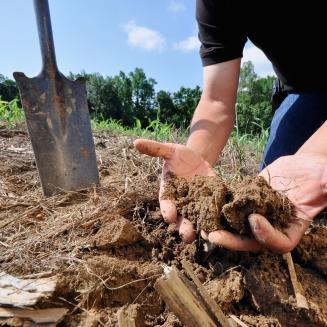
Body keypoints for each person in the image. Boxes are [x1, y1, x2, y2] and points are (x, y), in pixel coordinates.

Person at [134, 0, 327, 253]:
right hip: (303, 90)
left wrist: (319, 156)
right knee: (274, 197)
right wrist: (195, 167)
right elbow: (217, 101)